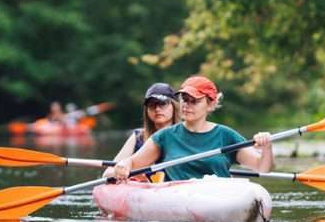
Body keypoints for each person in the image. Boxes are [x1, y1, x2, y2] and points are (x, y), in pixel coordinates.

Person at [112, 76, 273, 182]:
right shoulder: (164, 137)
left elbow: (263, 168)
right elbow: (133, 162)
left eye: (194, 101)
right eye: (184, 99)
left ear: (210, 104)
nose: (186, 105)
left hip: (218, 201)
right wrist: (124, 164)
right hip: (177, 202)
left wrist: (267, 147)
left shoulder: (227, 135)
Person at [102, 83, 180, 179]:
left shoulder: (184, 134)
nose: (157, 109)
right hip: (144, 189)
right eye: (152, 105)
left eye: (162, 104)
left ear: (174, 106)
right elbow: (107, 174)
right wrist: (126, 170)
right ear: (146, 110)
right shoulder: (138, 136)